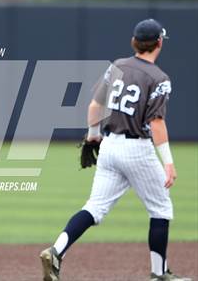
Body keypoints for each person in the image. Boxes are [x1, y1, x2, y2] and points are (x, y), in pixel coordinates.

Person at [40, 19, 191, 281]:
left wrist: (93, 137)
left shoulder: (117, 66)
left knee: (95, 207)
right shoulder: (159, 78)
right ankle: (159, 273)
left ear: (134, 42)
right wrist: (168, 162)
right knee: (161, 210)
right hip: (137, 149)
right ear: (159, 43)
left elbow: (95, 106)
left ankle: (57, 251)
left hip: (109, 145)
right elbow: (156, 122)